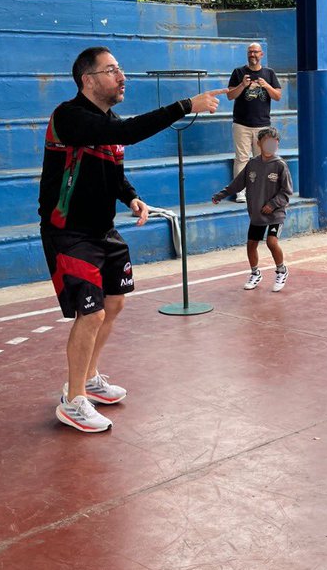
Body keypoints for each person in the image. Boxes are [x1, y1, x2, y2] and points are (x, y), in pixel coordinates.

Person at [39, 46, 223, 434]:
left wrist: (132, 197)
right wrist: (186, 104)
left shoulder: (107, 122)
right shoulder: (69, 117)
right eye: (112, 71)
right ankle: (74, 400)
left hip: (102, 229)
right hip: (69, 231)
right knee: (91, 313)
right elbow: (126, 133)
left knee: (115, 302)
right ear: (88, 80)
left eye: (121, 70)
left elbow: (113, 171)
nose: (122, 77)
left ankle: (88, 377)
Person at [211, 126, 292, 293]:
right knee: (251, 244)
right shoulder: (252, 164)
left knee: (271, 241)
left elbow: (286, 192)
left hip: (275, 214)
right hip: (257, 214)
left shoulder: (280, 166)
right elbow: (237, 184)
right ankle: (255, 273)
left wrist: (273, 204)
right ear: (259, 143)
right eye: (266, 142)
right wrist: (221, 195)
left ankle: (281, 270)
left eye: (273, 142)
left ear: (277, 144)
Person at [226, 42, 282, 202]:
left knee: (265, 158)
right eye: (250, 52)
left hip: (263, 124)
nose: (253, 55)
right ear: (247, 54)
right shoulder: (238, 72)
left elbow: (278, 96)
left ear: (261, 54)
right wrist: (243, 85)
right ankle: (240, 192)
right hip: (241, 123)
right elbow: (230, 95)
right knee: (241, 158)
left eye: (256, 52)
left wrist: (266, 86)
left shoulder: (269, 73)